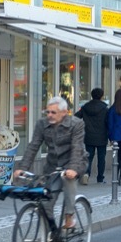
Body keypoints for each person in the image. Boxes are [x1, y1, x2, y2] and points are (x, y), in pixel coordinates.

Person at [14, 96, 86, 230]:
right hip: (52, 166)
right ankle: (48, 241)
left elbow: (77, 148)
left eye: (53, 112)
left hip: (74, 162)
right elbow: (33, 146)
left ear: (64, 112)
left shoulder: (76, 124)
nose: (49, 115)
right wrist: (22, 168)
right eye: (47, 112)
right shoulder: (42, 124)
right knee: (46, 202)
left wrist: (73, 169)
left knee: (68, 179)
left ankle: (69, 215)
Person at [75, 88, 109, 184]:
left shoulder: (85, 107)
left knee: (89, 157)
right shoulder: (105, 109)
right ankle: (100, 177)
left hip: (89, 136)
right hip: (102, 136)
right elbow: (108, 123)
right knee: (101, 158)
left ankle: (86, 174)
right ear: (101, 96)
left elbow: (76, 116)